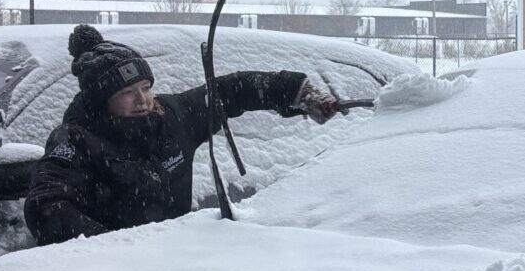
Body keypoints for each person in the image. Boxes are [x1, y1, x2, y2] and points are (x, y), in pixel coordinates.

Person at [25, 25, 339, 244]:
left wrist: (296, 91)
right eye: (128, 92)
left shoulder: (170, 118)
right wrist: (110, 248)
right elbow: (46, 207)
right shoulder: (76, 141)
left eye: (146, 88)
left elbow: (231, 92)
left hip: (178, 261)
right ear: (101, 101)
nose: (143, 100)